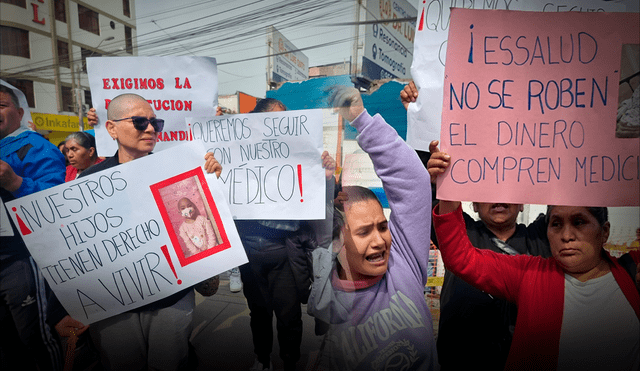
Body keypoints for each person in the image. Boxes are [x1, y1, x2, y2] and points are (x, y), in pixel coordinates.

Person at [430, 144, 640, 371]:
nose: (567, 236)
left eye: (579, 222)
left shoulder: (632, 273)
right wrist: (446, 184)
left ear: (605, 231)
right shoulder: (529, 273)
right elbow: (460, 256)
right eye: (556, 224)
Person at [401, 82, 552, 370]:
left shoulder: (543, 238)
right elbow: (431, 190)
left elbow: (570, 193)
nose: (497, 197)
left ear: (523, 203)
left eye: (506, 189)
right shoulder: (459, 236)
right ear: (470, 204)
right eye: (487, 187)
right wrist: (421, 119)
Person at [81, 93, 222, 371]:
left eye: (155, 122)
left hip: (171, 296)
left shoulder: (179, 172)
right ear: (111, 129)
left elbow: (201, 225)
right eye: (139, 121)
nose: (150, 129)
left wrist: (212, 185)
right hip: (114, 302)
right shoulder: (89, 182)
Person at [309, 86, 438, 371]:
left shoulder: (403, 261)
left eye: (382, 226)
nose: (380, 240)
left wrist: (361, 119)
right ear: (339, 243)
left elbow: (414, 183)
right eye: (364, 232)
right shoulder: (328, 295)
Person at [235, 97, 336, 371]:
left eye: (286, 118)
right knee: (258, 313)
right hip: (250, 253)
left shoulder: (301, 156)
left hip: (285, 254)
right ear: (257, 123)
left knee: (289, 316)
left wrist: (327, 176)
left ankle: (290, 362)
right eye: (276, 119)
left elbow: (323, 200)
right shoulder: (237, 153)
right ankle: (262, 358)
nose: (284, 123)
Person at [0, 84, 86, 371]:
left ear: (20, 112)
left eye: (1, 105)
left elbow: (56, 203)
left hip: (20, 261)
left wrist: (14, 182)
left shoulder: (35, 146)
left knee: (34, 338)